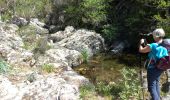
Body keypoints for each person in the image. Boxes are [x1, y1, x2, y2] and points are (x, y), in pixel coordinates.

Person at [139, 28, 168, 100]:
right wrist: (149, 45)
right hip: (162, 67)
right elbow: (155, 48)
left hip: (152, 68)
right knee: (156, 82)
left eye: (153, 35)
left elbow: (141, 50)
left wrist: (140, 43)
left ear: (156, 36)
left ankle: (156, 98)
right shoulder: (165, 43)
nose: (153, 36)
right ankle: (157, 97)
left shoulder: (153, 45)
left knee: (151, 86)